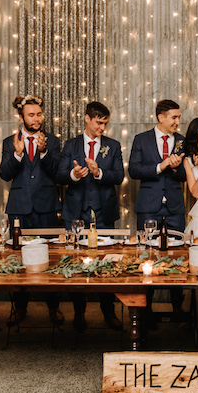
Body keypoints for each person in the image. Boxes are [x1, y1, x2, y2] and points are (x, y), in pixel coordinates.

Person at [56, 101, 123, 331]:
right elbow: (59, 175)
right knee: (76, 263)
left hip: (104, 212)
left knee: (107, 263)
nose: (102, 128)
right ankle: (79, 314)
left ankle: (109, 312)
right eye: (98, 122)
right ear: (87, 119)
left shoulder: (112, 146)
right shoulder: (71, 144)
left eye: (105, 123)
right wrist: (74, 174)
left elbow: (119, 176)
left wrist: (98, 172)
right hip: (76, 212)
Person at [0, 95, 62, 327]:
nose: (37, 119)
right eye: (31, 115)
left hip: (46, 206)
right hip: (19, 208)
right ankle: (20, 307)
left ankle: (53, 307)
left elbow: (58, 174)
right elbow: (4, 174)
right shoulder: (9, 142)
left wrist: (44, 153)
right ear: (21, 117)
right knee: (19, 257)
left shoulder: (52, 141)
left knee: (50, 257)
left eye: (39, 114)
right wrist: (17, 154)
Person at [128, 99, 186, 316]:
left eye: (179, 117)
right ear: (161, 117)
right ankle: (145, 310)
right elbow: (133, 170)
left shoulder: (181, 141)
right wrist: (161, 165)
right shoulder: (141, 139)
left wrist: (176, 168)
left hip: (175, 207)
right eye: (174, 117)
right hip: (148, 206)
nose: (177, 122)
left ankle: (178, 308)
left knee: (178, 256)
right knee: (147, 256)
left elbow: (184, 177)